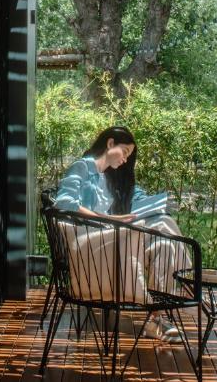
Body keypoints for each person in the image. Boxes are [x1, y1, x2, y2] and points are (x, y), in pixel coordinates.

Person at [53, 126, 187, 343]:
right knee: (162, 225)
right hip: (90, 241)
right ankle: (190, 287)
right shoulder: (82, 167)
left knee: (165, 242)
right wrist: (110, 219)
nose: (125, 159)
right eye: (124, 151)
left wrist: (155, 204)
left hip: (110, 240)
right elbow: (65, 203)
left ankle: (156, 318)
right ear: (110, 143)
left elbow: (137, 196)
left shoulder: (113, 178)